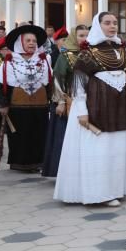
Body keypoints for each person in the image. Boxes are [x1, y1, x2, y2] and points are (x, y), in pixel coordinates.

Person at [54, 14, 126, 206]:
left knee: (117, 148)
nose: (112, 26)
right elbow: (79, 84)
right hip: (97, 106)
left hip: (120, 107)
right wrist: (82, 110)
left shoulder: (122, 50)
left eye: (115, 23)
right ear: (98, 26)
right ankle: (99, 193)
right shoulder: (88, 52)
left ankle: (116, 189)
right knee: (100, 149)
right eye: (107, 23)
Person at [0, 25, 52, 172]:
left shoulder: (44, 60)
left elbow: (49, 84)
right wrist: (3, 104)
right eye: (28, 40)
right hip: (18, 106)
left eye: (34, 40)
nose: (32, 43)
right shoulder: (10, 61)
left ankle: (38, 162)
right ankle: (20, 163)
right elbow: (2, 85)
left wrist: (52, 102)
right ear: (20, 42)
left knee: (39, 134)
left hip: (40, 106)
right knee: (20, 134)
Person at [41, 25, 88, 180]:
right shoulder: (65, 56)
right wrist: (60, 101)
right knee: (64, 137)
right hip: (67, 101)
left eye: (87, 35)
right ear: (74, 37)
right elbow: (58, 79)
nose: (84, 39)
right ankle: (62, 171)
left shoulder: (89, 54)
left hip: (84, 102)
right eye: (81, 35)